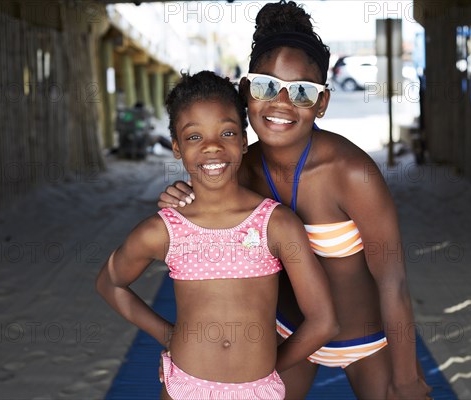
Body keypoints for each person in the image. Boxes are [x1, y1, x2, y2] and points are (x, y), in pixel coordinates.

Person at [158, 2, 432, 399]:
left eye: (301, 91)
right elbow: (204, 226)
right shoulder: (242, 168)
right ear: (246, 91)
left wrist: (407, 380)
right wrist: (179, 196)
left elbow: (393, 280)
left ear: (321, 102)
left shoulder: (352, 173)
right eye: (267, 85)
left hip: (369, 342)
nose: (281, 102)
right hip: (290, 334)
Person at [96, 70, 337, 400]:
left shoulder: (275, 224)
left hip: (258, 390)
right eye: (195, 137)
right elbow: (110, 281)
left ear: (244, 141)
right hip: (185, 389)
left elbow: (323, 321)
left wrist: (269, 368)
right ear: (177, 148)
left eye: (226, 132)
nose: (212, 146)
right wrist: (166, 334)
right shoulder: (164, 229)